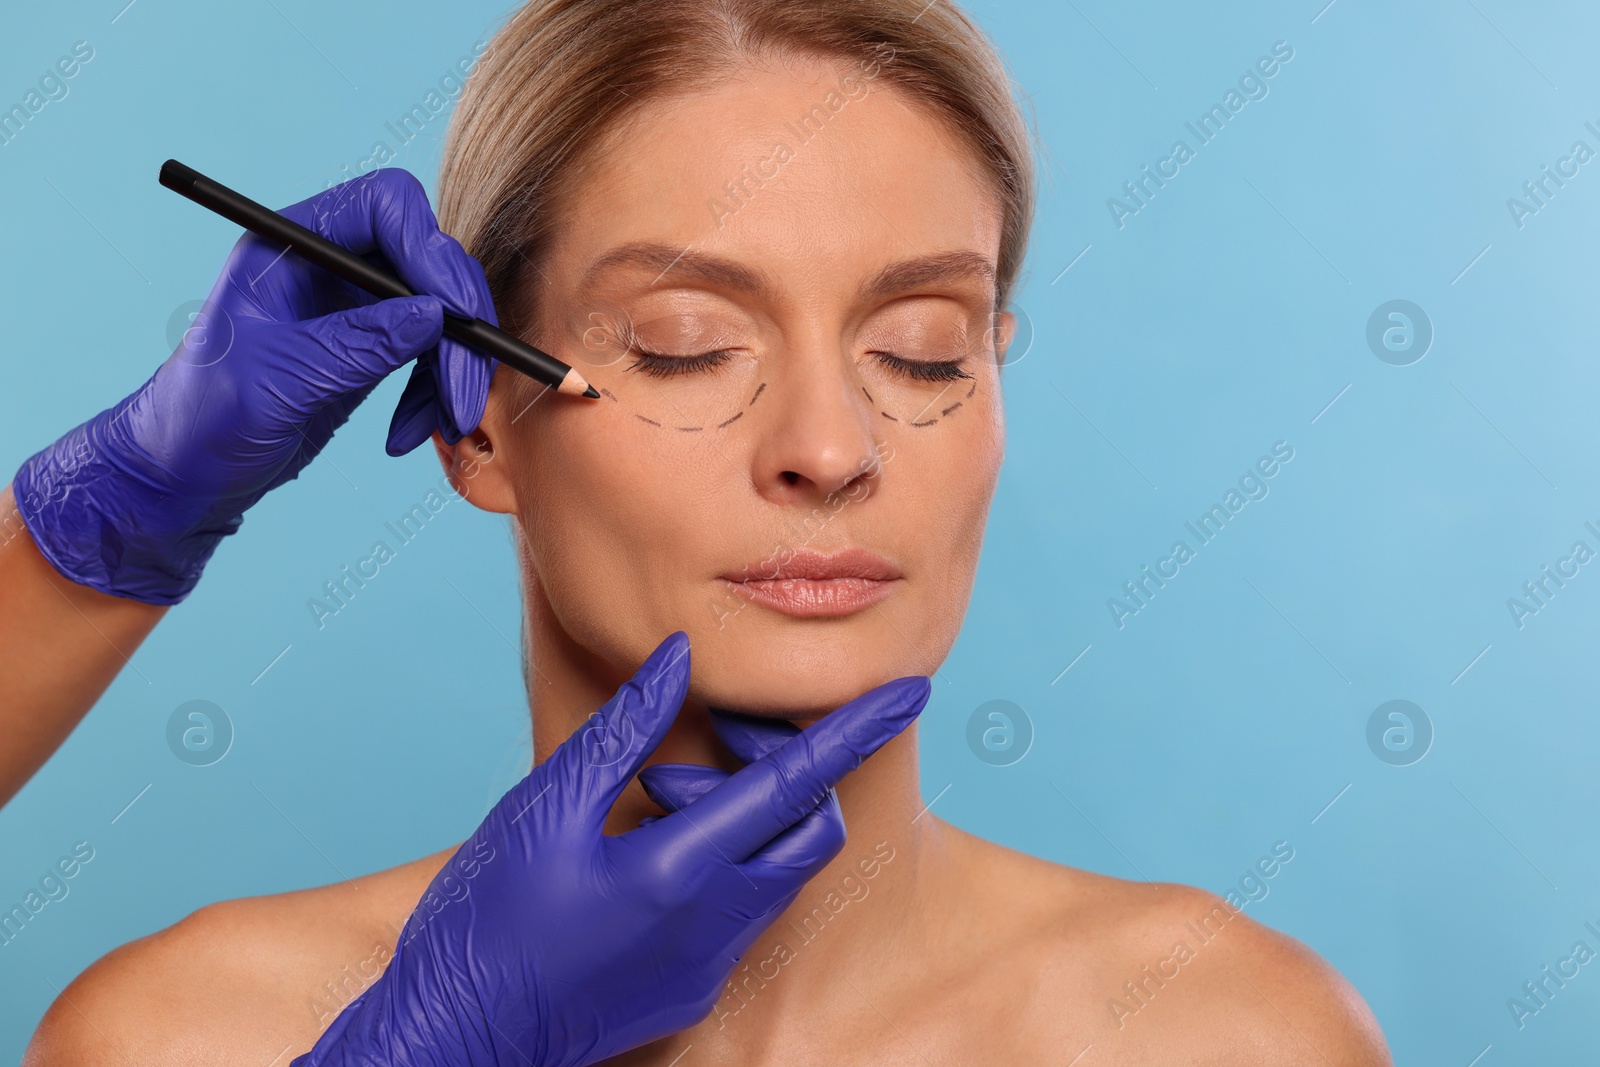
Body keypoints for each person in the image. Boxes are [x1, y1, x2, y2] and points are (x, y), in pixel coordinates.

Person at [25, 0, 1394, 1063]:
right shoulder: (182, 1040)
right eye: (685, 348)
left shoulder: (1228, 1036)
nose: (828, 450)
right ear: (475, 420)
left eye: (922, 352)